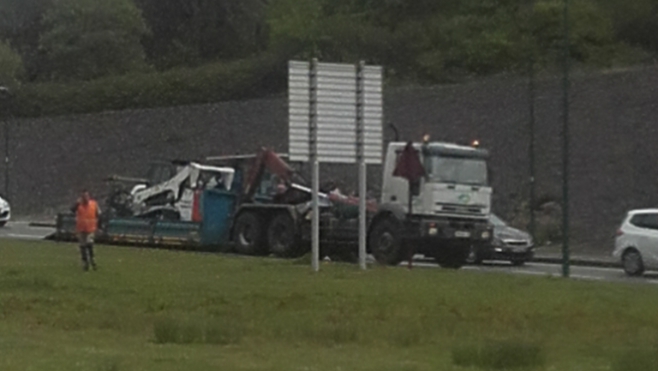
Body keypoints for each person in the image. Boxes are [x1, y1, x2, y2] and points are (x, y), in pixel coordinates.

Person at [71, 190, 100, 271]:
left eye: (86, 196)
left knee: (89, 243)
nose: (85, 198)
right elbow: (72, 210)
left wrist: (99, 226)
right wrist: (76, 203)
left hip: (90, 228)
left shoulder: (94, 204)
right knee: (82, 246)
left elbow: (98, 215)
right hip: (81, 228)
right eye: (83, 197)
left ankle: (92, 259)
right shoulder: (79, 205)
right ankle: (85, 262)